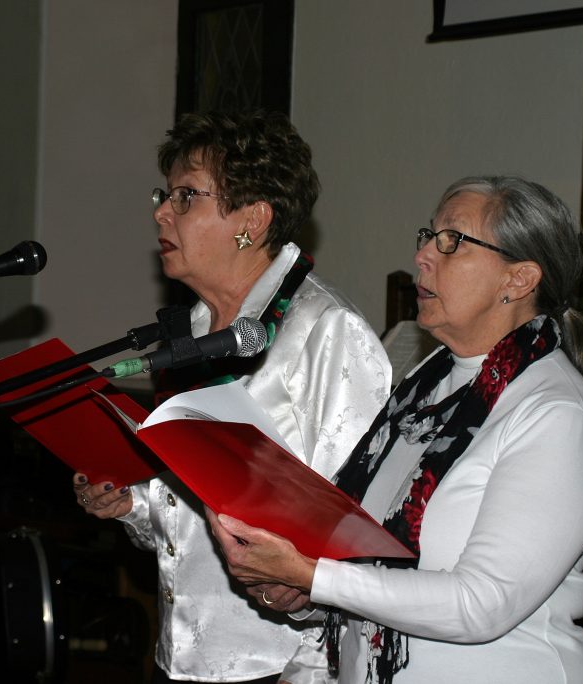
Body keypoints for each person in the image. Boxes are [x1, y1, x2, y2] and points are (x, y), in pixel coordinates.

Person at [207, 176, 583, 683]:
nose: (424, 255)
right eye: (428, 236)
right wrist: (301, 590)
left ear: (518, 280)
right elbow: (368, 569)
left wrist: (315, 577)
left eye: (452, 242)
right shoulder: (422, 392)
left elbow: (482, 604)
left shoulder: (556, 413)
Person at [72, 110, 392, 683]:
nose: (161, 213)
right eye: (163, 195)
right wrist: (132, 504)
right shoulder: (190, 333)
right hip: (187, 657)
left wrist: (305, 602)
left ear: (254, 218)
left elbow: (355, 528)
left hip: (289, 664)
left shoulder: (326, 332)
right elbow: (188, 508)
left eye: (185, 196)